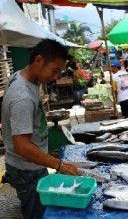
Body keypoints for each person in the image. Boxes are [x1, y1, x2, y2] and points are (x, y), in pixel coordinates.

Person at [1, 39, 79, 219]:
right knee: (36, 214)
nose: (57, 76)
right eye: (55, 70)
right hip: (27, 169)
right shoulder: (23, 97)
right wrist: (59, 165)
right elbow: (22, 146)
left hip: (29, 165)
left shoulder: (20, 76)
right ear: (38, 60)